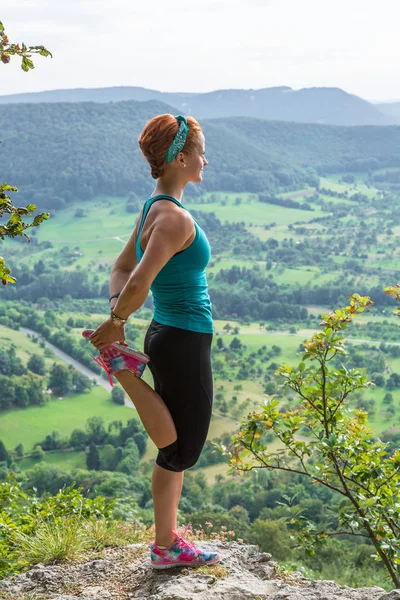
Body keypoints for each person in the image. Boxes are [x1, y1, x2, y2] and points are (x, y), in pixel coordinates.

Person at [87, 114, 221, 569]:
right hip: (183, 338)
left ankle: (166, 546)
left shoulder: (153, 207)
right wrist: (117, 319)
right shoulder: (174, 219)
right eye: (201, 151)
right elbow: (138, 281)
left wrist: (117, 316)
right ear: (181, 158)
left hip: (168, 334)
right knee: (182, 449)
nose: (206, 159)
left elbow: (120, 268)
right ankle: (119, 365)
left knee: (172, 452)